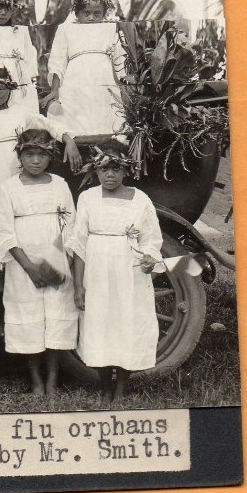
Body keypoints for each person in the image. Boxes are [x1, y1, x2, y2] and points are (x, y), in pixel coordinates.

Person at [0, 68, 80, 338]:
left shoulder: (21, 114)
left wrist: (68, 139)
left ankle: (22, 311)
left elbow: (47, 124)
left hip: (13, 178)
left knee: (16, 235)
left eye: (2, 86)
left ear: (11, 88)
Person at [66, 140, 163, 402]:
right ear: (95, 171)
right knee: (98, 324)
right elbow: (79, 243)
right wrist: (78, 285)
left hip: (128, 271)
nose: (110, 175)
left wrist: (149, 257)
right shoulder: (87, 197)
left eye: (116, 169)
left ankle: (121, 387)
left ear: (126, 171)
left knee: (126, 324)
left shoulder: (140, 199)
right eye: (104, 169)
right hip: (96, 271)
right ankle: (104, 387)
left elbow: (151, 239)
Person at [0, 129, 78, 397]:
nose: (36, 161)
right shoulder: (8, 188)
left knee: (55, 321)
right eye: (30, 154)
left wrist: (58, 263)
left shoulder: (60, 185)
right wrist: (29, 267)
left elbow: (70, 225)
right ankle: (36, 382)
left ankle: (52, 381)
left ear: (50, 157)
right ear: (20, 155)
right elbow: (4, 232)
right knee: (28, 320)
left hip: (55, 262)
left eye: (42, 155)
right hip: (23, 265)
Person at [44, 0, 125, 136]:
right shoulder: (66, 29)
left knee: (107, 115)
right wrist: (54, 90)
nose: (91, 18)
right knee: (76, 117)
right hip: (76, 80)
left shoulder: (111, 29)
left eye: (97, 13)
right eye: (86, 13)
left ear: (104, 13)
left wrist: (126, 86)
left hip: (104, 79)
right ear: (77, 13)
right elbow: (57, 62)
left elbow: (120, 59)